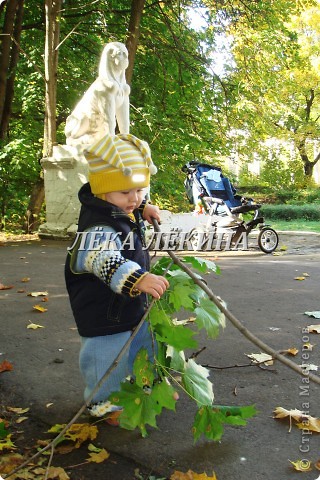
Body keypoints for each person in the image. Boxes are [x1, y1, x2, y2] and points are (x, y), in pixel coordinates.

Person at [65, 133, 169, 425]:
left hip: (126, 303)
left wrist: (142, 207)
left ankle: (146, 388)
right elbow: (102, 259)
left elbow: (130, 201)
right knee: (106, 359)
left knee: (142, 345)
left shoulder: (118, 207)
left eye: (139, 190)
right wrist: (137, 279)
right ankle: (105, 404)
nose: (133, 198)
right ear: (102, 191)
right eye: (126, 193)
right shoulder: (97, 226)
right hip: (103, 311)